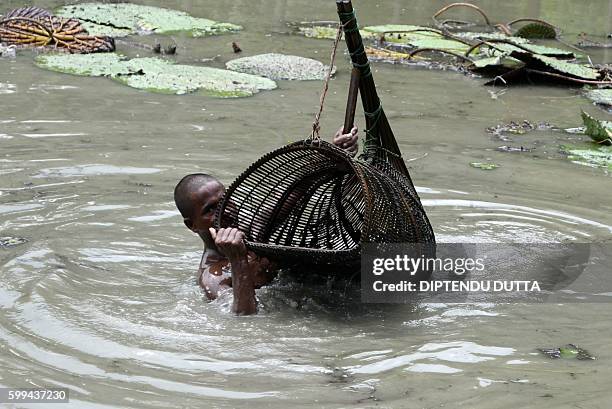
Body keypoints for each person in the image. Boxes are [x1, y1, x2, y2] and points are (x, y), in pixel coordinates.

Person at [174, 126, 359, 315]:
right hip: (309, 313)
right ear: (192, 225)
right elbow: (243, 318)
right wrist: (237, 260)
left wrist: (335, 155)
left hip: (332, 289)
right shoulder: (212, 276)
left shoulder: (254, 226)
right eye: (210, 209)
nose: (224, 210)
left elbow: (295, 189)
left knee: (378, 261)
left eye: (225, 200)